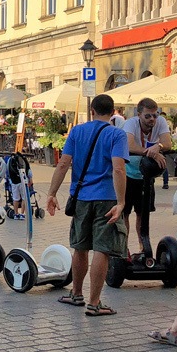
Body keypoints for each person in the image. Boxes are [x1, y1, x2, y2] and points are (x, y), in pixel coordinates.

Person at [45, 94, 128, 317]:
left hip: (81, 197)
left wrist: (51, 193)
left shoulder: (77, 131)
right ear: (113, 113)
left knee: (80, 246)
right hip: (107, 198)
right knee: (102, 249)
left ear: (92, 111)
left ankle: (76, 294)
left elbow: (63, 164)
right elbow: (119, 169)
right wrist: (121, 202)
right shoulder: (117, 134)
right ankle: (94, 302)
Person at [122, 97, 172, 239]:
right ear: (139, 115)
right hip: (128, 173)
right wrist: (153, 154)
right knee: (124, 212)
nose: (152, 119)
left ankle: (143, 246)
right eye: (147, 116)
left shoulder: (160, 121)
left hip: (145, 175)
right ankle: (124, 250)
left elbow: (167, 143)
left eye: (155, 115)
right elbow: (129, 145)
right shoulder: (131, 124)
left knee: (142, 213)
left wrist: (159, 146)